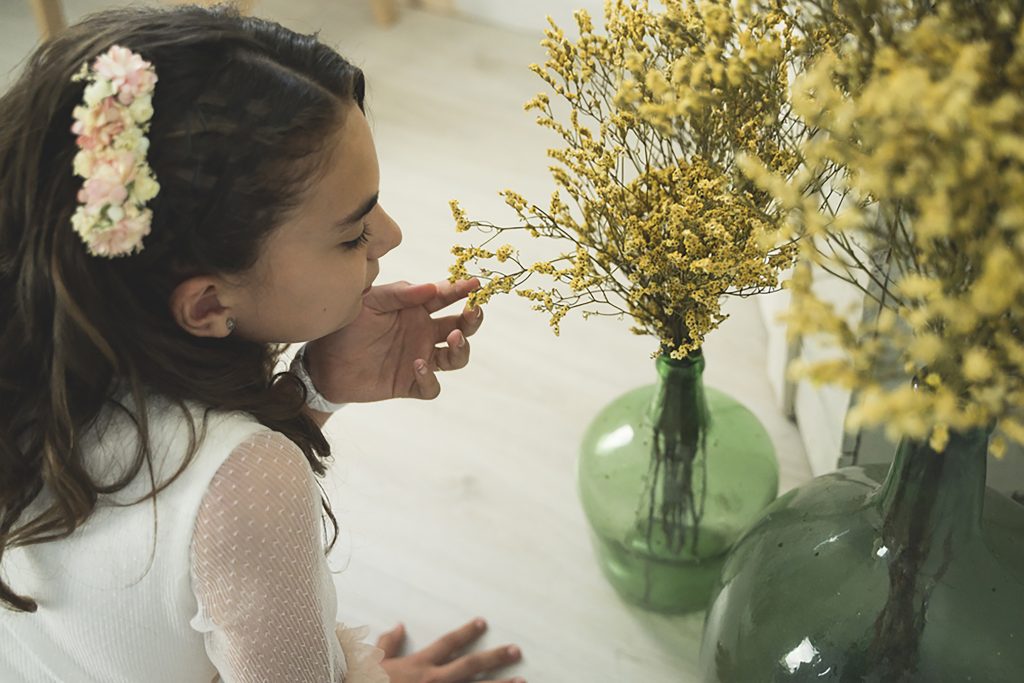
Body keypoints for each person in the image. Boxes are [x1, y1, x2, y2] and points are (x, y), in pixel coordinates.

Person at [0, 5, 525, 682]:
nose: (390, 236)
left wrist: (313, 387)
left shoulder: (39, 357)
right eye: (350, 232)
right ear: (209, 303)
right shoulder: (247, 480)